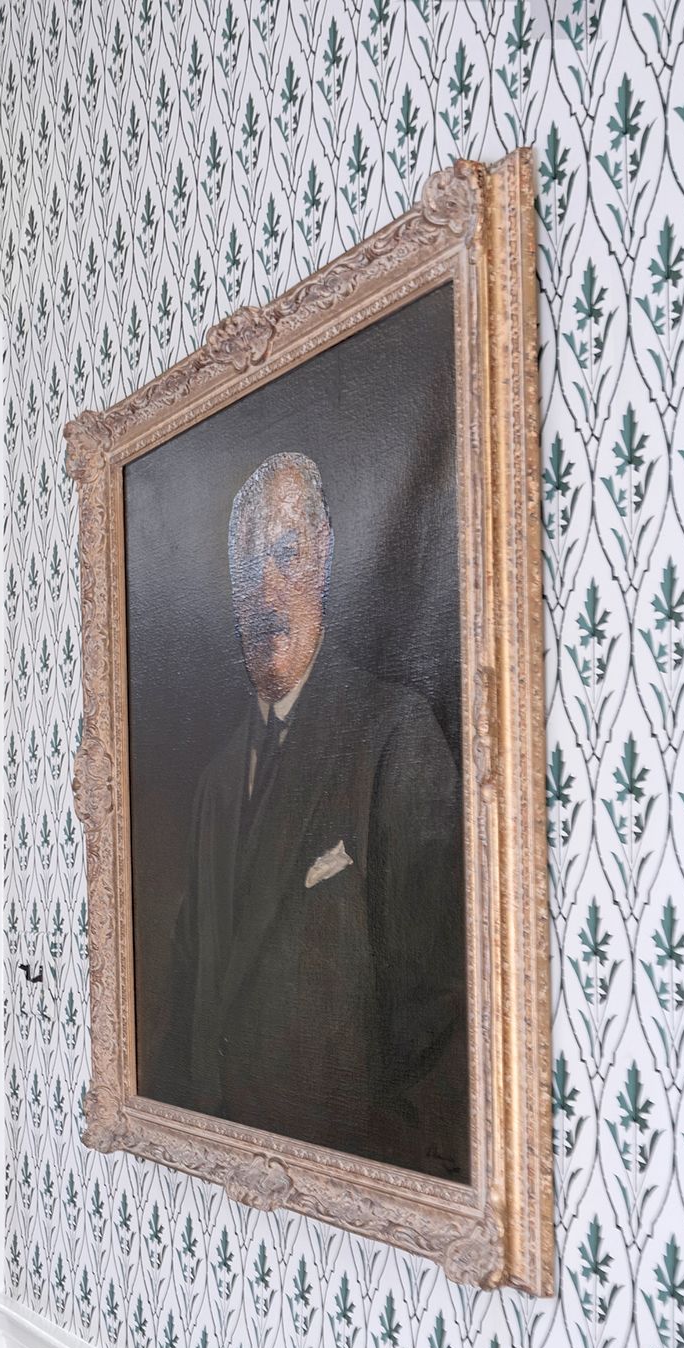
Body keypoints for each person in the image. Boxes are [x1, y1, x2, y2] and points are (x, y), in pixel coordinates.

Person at [144, 451, 468, 1180]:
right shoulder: (216, 785)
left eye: (286, 553)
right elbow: (192, 1000)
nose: (266, 590)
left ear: (324, 557)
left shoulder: (395, 737)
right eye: (246, 568)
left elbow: (444, 1015)